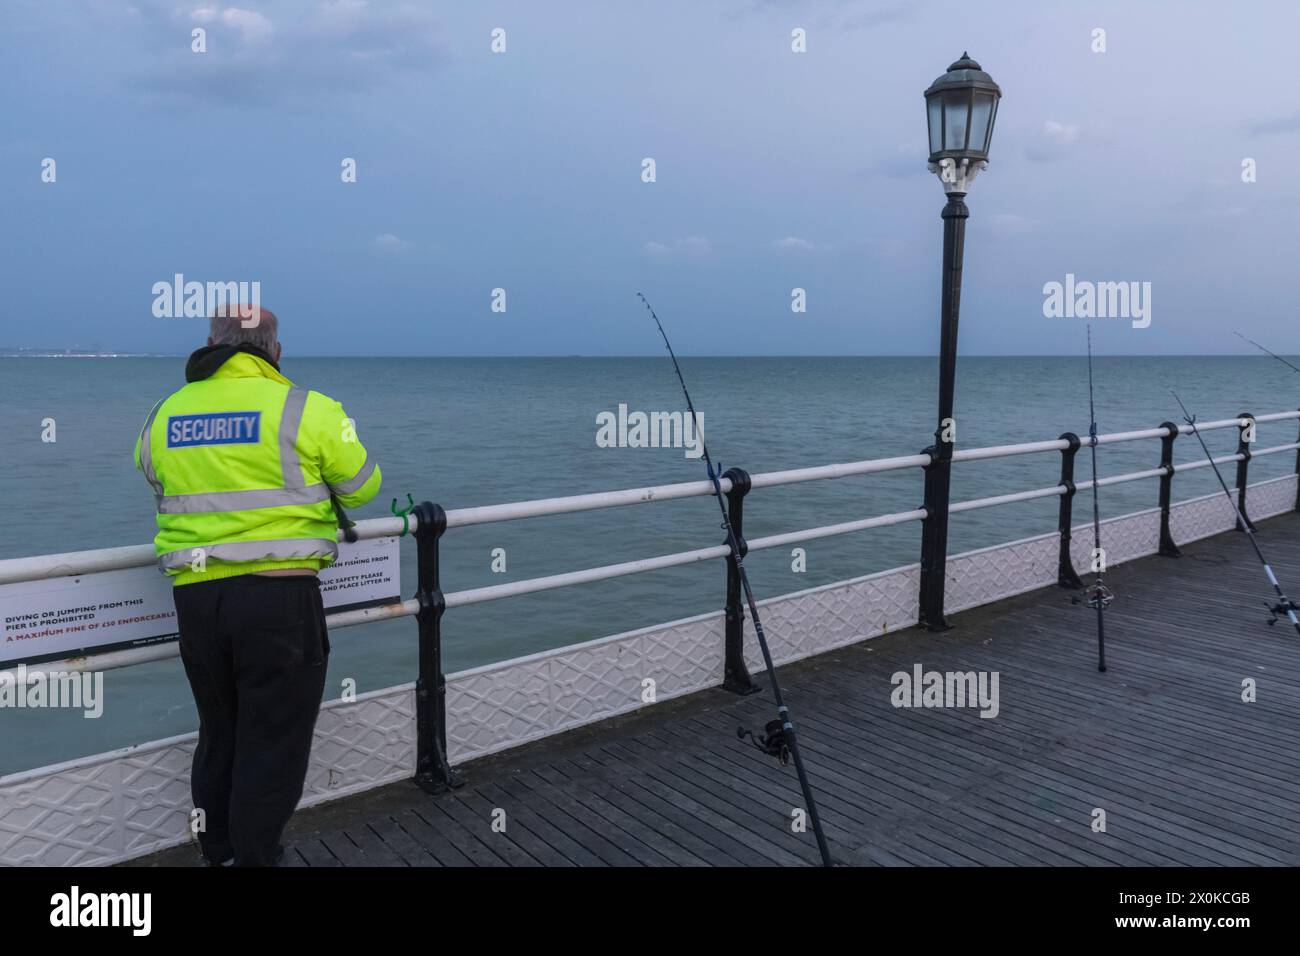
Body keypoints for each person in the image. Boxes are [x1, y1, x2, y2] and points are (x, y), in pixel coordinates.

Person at [134, 304, 381, 866]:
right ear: (275, 351)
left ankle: (216, 851)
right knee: (273, 741)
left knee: (219, 730)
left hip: (195, 598)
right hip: (278, 597)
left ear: (210, 344)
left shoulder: (165, 411)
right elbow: (364, 485)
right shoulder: (307, 408)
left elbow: (150, 470)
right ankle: (257, 859)